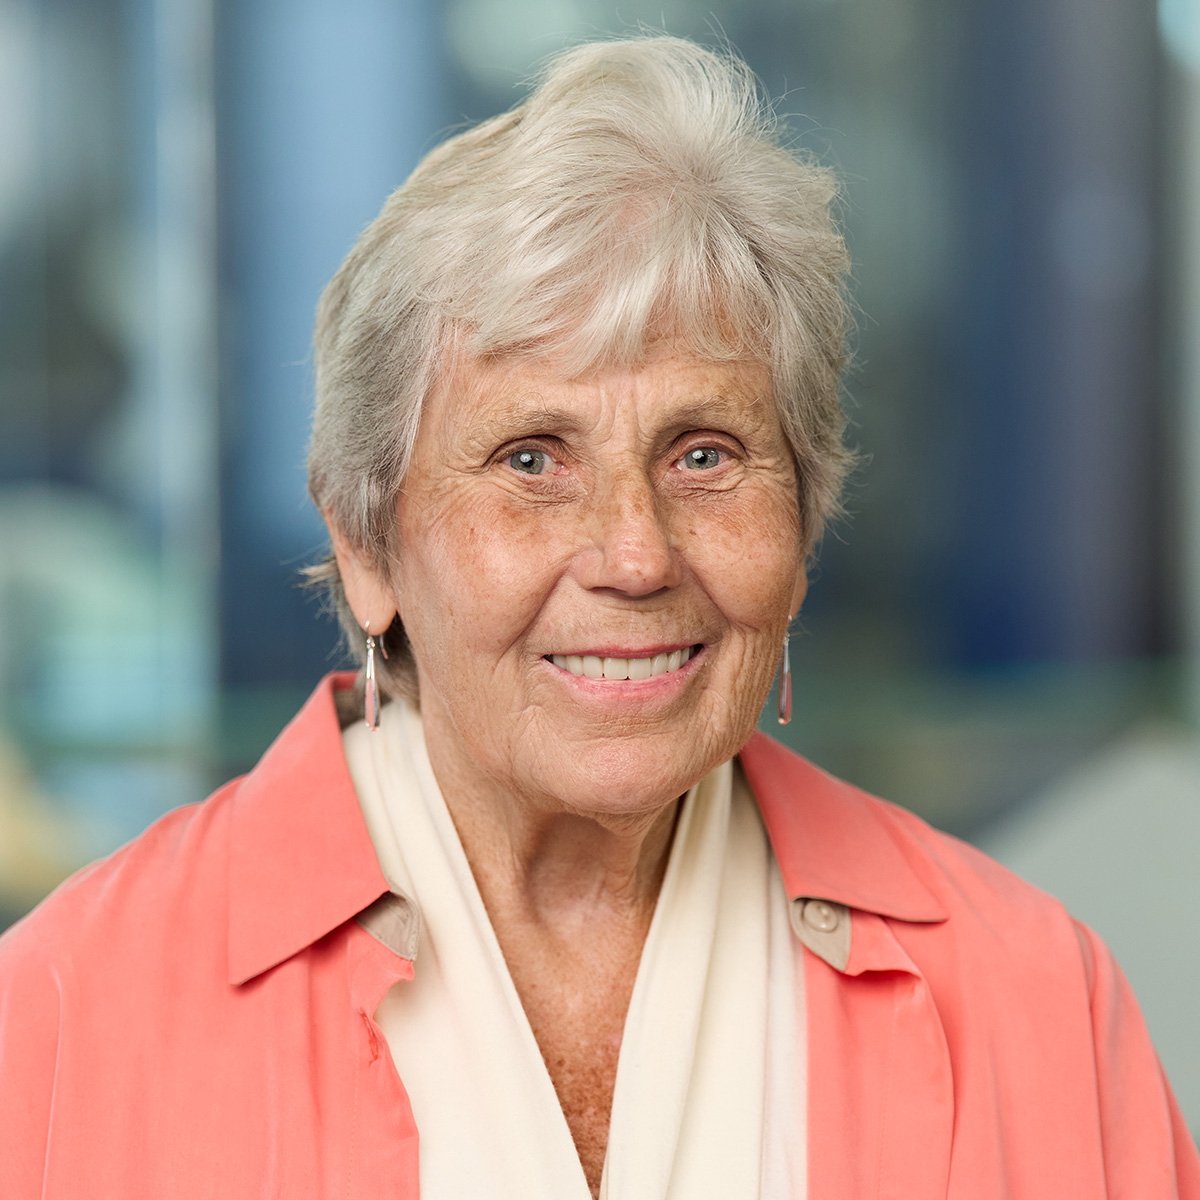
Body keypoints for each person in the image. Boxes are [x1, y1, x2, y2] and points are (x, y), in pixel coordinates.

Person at [1, 34, 1196, 1200]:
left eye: (705, 454)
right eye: (531, 458)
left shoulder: (1035, 1000)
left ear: (804, 521)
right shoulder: (64, 1020)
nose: (635, 555)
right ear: (366, 546)